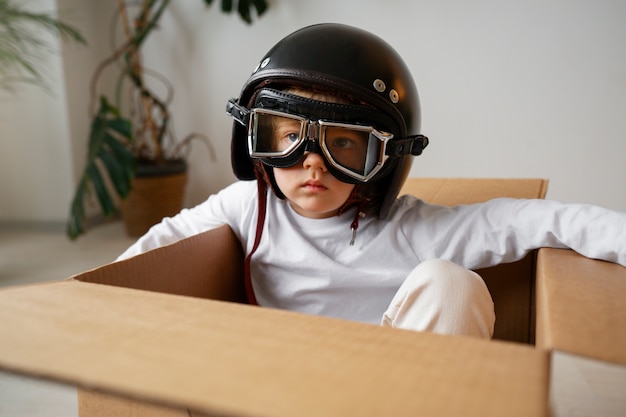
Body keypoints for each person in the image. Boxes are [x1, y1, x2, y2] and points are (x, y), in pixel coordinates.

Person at [118, 23, 625, 339]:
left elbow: (532, 219)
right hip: (279, 386)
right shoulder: (246, 207)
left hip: (396, 392)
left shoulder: (414, 230)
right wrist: (79, 303)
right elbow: (153, 251)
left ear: (384, 157)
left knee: (452, 284)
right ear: (254, 139)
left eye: (343, 144)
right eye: (288, 138)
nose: (312, 163)